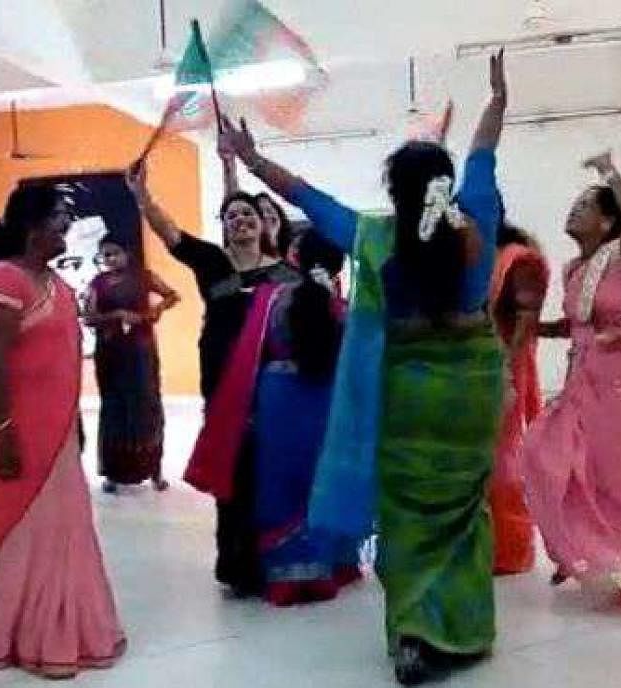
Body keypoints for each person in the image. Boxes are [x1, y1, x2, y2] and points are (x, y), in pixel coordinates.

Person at [223, 51, 508, 684]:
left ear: (393, 193)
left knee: (406, 510)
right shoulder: (477, 217)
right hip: (471, 388)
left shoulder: (374, 236)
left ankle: (414, 633)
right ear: (445, 182)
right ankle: (460, 630)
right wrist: (496, 101)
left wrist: (249, 158)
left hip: (405, 389)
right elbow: (485, 151)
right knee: (464, 506)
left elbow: (307, 198)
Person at [0, 185, 125, 679]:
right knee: (28, 534)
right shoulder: (2, 278)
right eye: (60, 216)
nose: (66, 226)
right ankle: (24, 636)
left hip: (53, 428)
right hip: (11, 425)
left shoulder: (52, 280)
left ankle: (68, 629)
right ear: (32, 224)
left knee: (65, 530)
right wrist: (5, 431)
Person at [127, 162, 295, 597]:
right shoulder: (213, 265)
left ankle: (274, 556)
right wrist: (142, 195)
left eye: (248, 215)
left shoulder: (285, 276)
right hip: (222, 383)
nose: (240, 220)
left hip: (272, 388)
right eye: (232, 216)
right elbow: (170, 235)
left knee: (268, 468)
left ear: (263, 225)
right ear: (224, 227)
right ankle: (238, 564)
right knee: (233, 468)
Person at [522, 152, 621, 608]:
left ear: (607, 224)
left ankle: (619, 558)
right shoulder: (573, 270)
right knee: (546, 450)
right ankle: (583, 546)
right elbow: (577, 325)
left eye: (587, 205)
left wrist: (608, 171)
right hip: (588, 375)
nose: (575, 209)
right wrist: (536, 330)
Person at [190, 230, 362, 605]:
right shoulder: (342, 307)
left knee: (280, 483)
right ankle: (329, 567)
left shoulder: (273, 299)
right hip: (325, 399)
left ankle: (287, 576)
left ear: (296, 257)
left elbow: (251, 354)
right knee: (320, 478)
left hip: (279, 396)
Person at [84, 240, 180, 494]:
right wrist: (117, 316)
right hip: (111, 353)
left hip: (141, 351)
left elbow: (172, 296)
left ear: (126, 253)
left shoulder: (144, 277)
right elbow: (89, 317)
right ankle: (113, 473)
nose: (111, 258)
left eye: (115, 253)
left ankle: (154, 470)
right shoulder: (97, 283)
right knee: (114, 407)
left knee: (147, 404)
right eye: (106, 255)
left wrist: (156, 310)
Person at [487, 212, 549, 575]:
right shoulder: (484, 256)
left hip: (501, 365)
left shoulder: (518, 258)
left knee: (502, 458)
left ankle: (509, 547)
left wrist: (506, 372)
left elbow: (526, 323)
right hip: (476, 366)